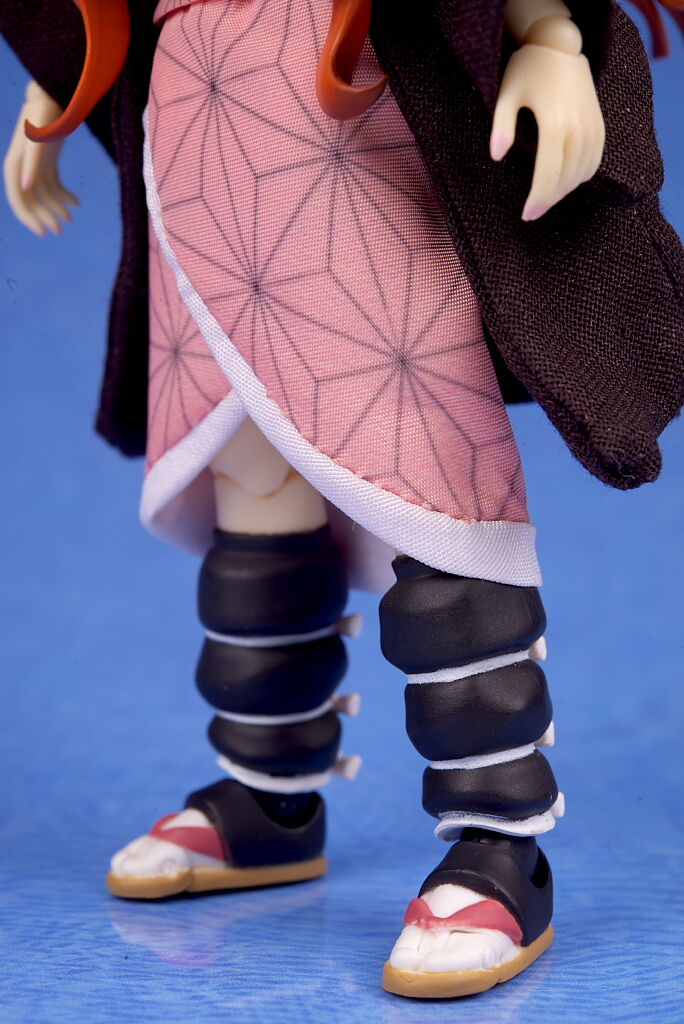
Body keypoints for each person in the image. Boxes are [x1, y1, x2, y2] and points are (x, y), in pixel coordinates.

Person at [3, 0, 683, 999]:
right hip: (199, 141)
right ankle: (269, 797)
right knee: (250, 477)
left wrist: (548, 36)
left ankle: (500, 843)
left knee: (430, 470)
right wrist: (59, 86)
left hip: (346, 125)